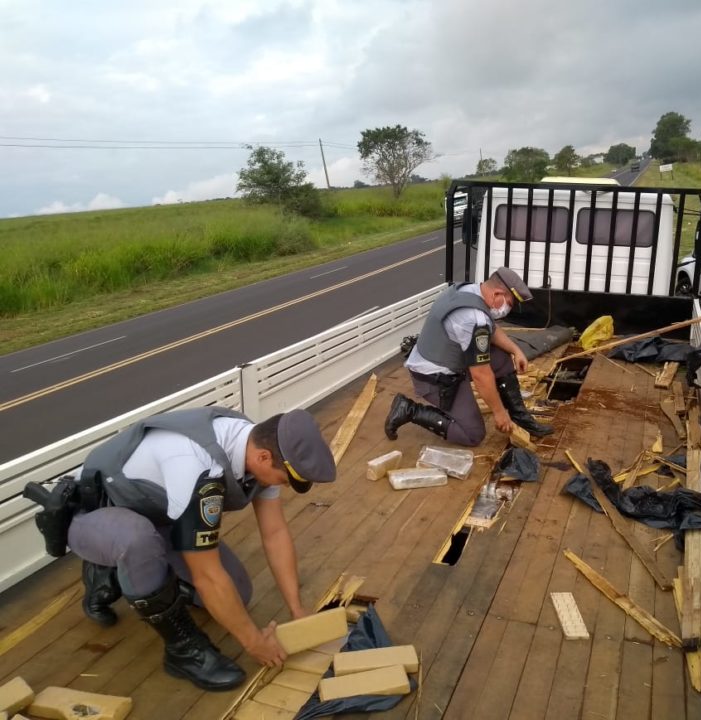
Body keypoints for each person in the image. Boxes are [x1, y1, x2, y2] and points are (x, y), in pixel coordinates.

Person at [67, 406, 335, 691]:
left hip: (158, 513)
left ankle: (138, 576)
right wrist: (255, 643)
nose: (281, 486)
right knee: (139, 542)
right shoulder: (195, 464)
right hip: (93, 513)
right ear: (264, 457)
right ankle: (182, 652)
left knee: (237, 594)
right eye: (282, 479)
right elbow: (207, 575)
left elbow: (275, 532)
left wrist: (297, 610)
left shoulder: (261, 443)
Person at [385, 267, 553, 446]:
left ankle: (520, 417)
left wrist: (515, 350)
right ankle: (410, 410)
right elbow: (481, 375)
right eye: (509, 304)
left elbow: (492, 329)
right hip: (434, 378)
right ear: (497, 294)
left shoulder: (471, 291)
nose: (508, 310)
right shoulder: (472, 319)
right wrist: (498, 412)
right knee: (473, 434)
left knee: (501, 357)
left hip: (449, 359)